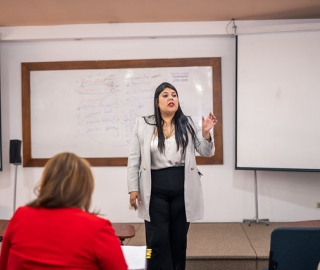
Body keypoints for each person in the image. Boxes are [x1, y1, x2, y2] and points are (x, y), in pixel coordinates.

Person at [127, 82, 218, 270]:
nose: (171, 98)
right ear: (157, 101)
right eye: (166, 95)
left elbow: (206, 152)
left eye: (174, 95)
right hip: (154, 190)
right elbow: (134, 159)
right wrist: (133, 188)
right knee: (156, 241)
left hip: (183, 190)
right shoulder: (143, 123)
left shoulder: (189, 123)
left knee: (178, 241)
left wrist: (207, 133)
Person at [0, 152, 128, 270]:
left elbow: (3, 264)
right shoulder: (98, 227)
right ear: (85, 188)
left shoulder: (20, 216)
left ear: (46, 181)